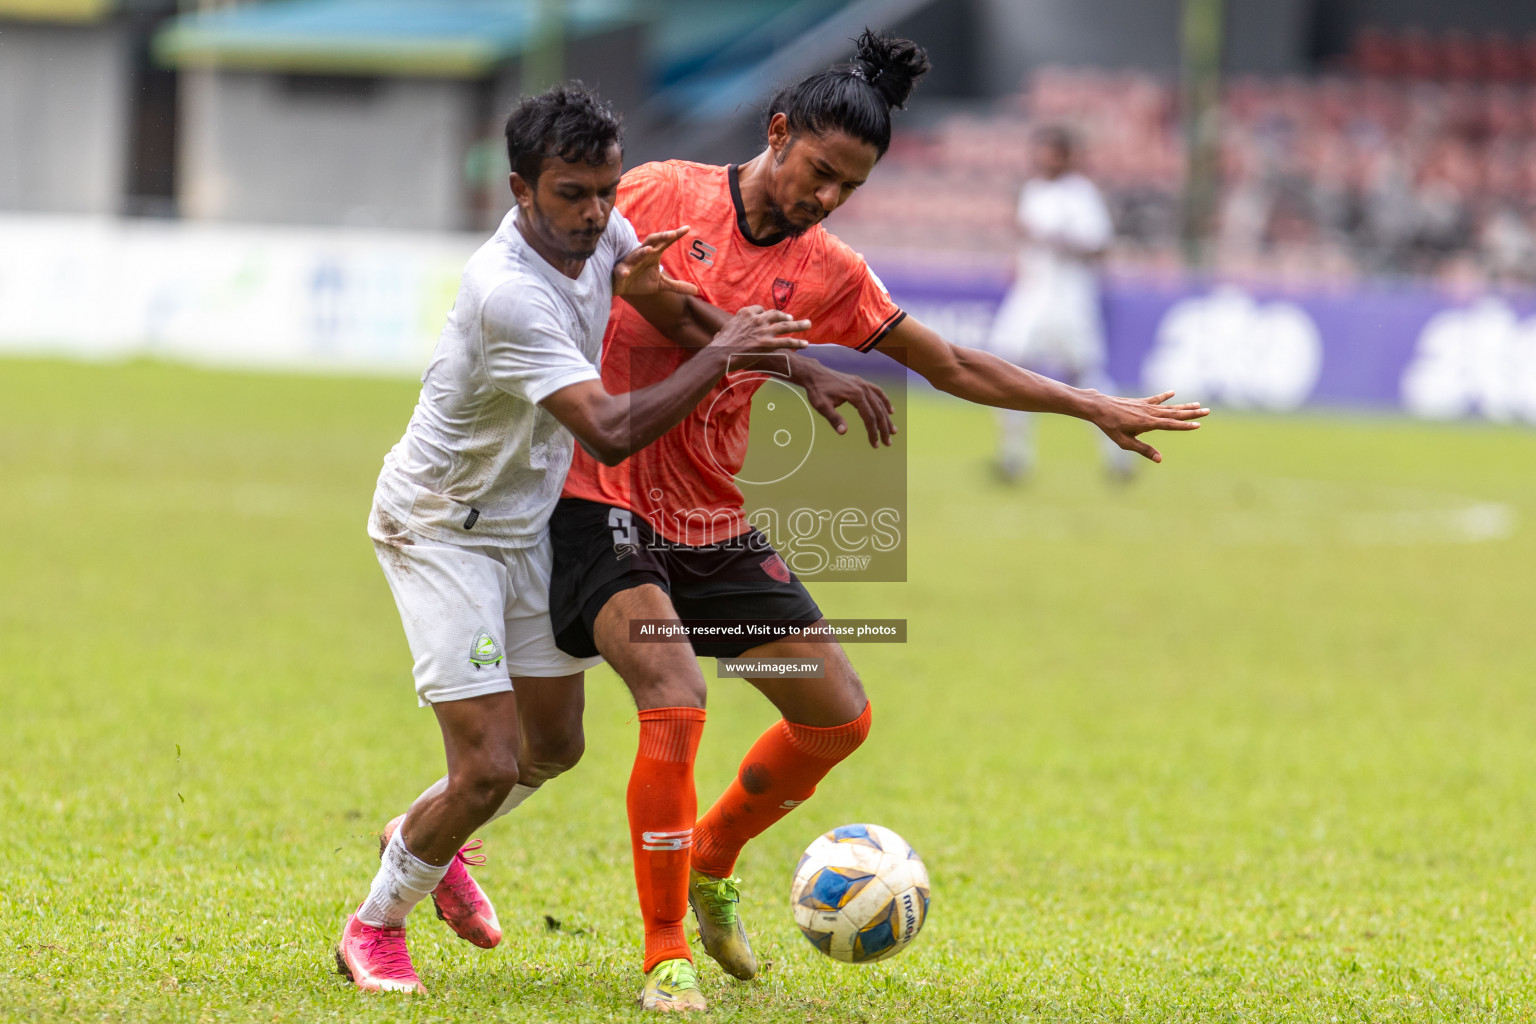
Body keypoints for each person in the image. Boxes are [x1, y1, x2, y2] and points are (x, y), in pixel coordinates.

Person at [544, 29, 1208, 1012]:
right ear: (777, 131)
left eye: (846, 188)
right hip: (600, 491)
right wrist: (795, 364)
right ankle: (663, 950)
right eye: (817, 171)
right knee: (672, 698)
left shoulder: (831, 270)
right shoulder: (658, 195)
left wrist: (1090, 404)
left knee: (835, 716)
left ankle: (718, 852)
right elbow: (654, 306)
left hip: (708, 515)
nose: (823, 198)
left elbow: (951, 363)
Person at [334, 82, 882, 996]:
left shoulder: (608, 232)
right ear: (519, 189)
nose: (597, 215)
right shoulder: (510, 294)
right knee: (488, 765)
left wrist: (793, 371)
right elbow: (612, 431)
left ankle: (419, 835)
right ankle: (374, 926)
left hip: (526, 520)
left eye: (605, 190)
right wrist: (727, 358)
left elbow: (671, 309)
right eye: (571, 195)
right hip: (441, 527)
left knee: (554, 749)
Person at [986, 124, 1134, 481]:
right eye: (1039, 151)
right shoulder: (1033, 191)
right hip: (1033, 296)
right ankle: (1014, 456)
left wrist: (1053, 239)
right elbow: (1028, 241)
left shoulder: (1081, 195)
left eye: (1050, 152)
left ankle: (1119, 456)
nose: (1042, 159)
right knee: (1004, 367)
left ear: (1066, 156)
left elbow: (1097, 245)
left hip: (1070, 301)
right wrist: (1019, 262)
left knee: (1085, 379)